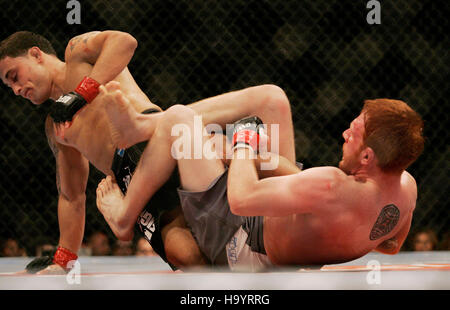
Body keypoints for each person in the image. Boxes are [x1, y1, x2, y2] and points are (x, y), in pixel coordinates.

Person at [0, 31, 294, 273]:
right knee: (187, 257)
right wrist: (63, 258)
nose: (15, 89)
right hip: (132, 178)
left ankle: (292, 221)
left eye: (14, 75)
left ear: (36, 54)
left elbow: (124, 42)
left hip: (156, 139)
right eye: (8, 85)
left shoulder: (77, 51)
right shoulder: (56, 126)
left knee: (259, 119)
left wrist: (81, 93)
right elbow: (71, 195)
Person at [96, 89, 424, 270]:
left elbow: (240, 199)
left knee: (181, 121)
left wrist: (243, 143)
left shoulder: (330, 186)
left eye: (352, 135)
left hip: (243, 242)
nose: (343, 134)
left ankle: (124, 218)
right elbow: (390, 245)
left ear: (368, 158)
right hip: (282, 224)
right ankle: (141, 127)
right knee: (273, 99)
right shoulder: (405, 190)